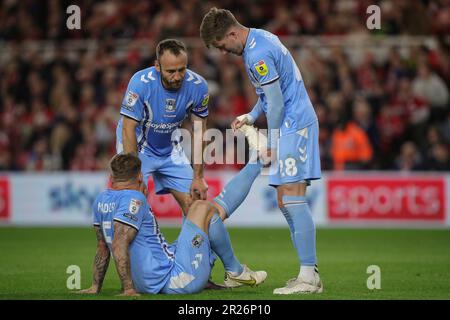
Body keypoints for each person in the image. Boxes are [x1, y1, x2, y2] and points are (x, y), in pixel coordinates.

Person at [200, 8, 323, 294]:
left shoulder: (256, 55)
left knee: (292, 196)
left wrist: (273, 141)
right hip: (293, 123)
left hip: (295, 124)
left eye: (221, 45)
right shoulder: (259, 39)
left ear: (231, 33)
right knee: (284, 199)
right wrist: (253, 117)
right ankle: (309, 274)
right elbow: (268, 96)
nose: (222, 52)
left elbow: (278, 104)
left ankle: (308, 277)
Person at [77, 151, 267, 295]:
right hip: (172, 279)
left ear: (111, 179)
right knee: (204, 208)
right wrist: (128, 289)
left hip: (156, 273)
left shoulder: (101, 199)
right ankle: (235, 270)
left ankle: (256, 162)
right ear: (140, 177)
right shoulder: (135, 199)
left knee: (196, 210)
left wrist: (96, 286)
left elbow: (103, 246)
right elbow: (119, 243)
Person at [116, 38, 208, 217]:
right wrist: (134, 174)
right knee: (129, 206)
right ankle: (109, 245)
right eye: (171, 71)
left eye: (182, 69)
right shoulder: (140, 83)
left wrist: (198, 176)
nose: (178, 76)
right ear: (157, 66)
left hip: (170, 150)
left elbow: (200, 131)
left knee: (196, 206)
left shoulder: (199, 86)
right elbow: (128, 128)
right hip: (138, 148)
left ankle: (190, 246)